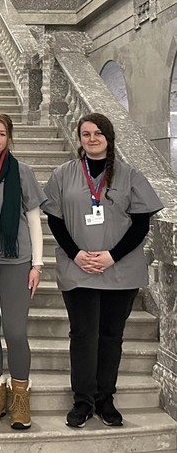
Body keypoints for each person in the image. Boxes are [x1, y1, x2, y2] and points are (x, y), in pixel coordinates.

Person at [43, 113, 163, 429]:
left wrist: (111, 257)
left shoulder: (130, 175)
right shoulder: (63, 174)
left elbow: (141, 223)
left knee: (111, 336)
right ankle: (83, 401)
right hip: (78, 267)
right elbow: (55, 219)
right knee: (83, 335)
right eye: (86, 134)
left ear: (108, 138)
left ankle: (105, 399)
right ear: (80, 138)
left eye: (98, 133)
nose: (92, 138)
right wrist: (77, 254)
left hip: (119, 269)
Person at [0, 113, 45, 429]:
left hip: (16, 259)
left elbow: (33, 218)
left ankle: (20, 396)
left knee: (14, 331)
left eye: (2, 133)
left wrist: (38, 264)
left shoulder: (22, 172)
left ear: (8, 138)